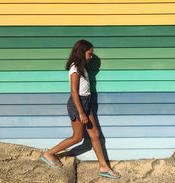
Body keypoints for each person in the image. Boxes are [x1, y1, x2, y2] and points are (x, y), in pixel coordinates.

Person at [40, 39, 121, 179]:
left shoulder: (82, 67)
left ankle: (103, 166)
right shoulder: (75, 68)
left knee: (94, 134)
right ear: (82, 52)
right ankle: (49, 154)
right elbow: (73, 92)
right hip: (78, 104)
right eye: (89, 54)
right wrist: (81, 112)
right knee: (77, 137)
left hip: (86, 103)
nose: (91, 57)